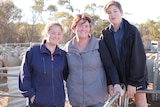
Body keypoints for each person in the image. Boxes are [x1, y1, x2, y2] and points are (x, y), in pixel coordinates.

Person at [64, 13, 124, 107]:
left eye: (86, 26)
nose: (83, 29)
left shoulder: (99, 44)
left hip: (96, 99)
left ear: (89, 28)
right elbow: (65, 72)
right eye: (80, 25)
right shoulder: (68, 48)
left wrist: (115, 84)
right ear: (74, 28)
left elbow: (109, 66)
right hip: (76, 99)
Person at [100, 1, 148, 107]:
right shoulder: (105, 34)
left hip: (136, 77)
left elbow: (138, 57)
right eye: (109, 13)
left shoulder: (132, 31)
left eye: (115, 11)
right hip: (118, 77)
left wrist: (133, 82)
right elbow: (107, 62)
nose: (112, 15)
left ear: (121, 12)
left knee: (141, 102)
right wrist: (111, 82)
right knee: (120, 104)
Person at [18, 22, 68, 107]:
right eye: (53, 33)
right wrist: (31, 96)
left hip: (58, 103)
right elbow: (24, 75)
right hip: (38, 103)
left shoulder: (63, 55)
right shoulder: (33, 52)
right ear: (46, 33)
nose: (56, 36)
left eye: (59, 33)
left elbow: (69, 76)